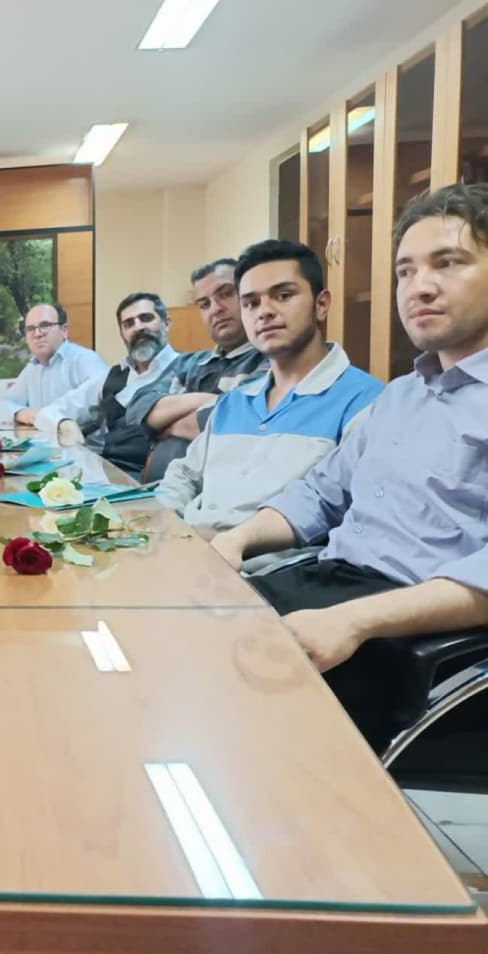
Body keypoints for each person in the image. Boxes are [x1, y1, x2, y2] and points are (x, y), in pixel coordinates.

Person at [211, 183, 488, 752]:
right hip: (329, 582)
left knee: (219, 713)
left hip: (414, 631)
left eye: (448, 263)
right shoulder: (402, 395)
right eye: (406, 271)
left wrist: (357, 621)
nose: (420, 287)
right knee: (169, 630)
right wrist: (236, 539)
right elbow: (320, 493)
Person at [157, 240, 383, 539]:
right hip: (189, 547)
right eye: (251, 303)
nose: (264, 312)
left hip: (267, 563)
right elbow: (184, 474)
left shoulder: (365, 402)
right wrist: (162, 525)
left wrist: (228, 542)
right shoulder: (234, 402)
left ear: (321, 304)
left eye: (283, 295)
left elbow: (344, 512)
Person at [36, 292, 180, 477]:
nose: (138, 327)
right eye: (128, 324)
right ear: (122, 334)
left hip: (160, 482)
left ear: (167, 323)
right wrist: (65, 424)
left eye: (146, 318)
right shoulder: (111, 377)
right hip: (108, 478)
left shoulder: (189, 371)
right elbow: (48, 413)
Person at [126, 258, 267, 444]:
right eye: (204, 304)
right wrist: (216, 400)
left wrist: (170, 425)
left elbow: (242, 418)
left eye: (226, 294)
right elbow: (138, 406)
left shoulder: (271, 360)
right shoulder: (190, 364)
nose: (215, 309)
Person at [0, 303, 107, 426]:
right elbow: (2, 405)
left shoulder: (84, 359)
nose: (37, 334)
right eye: (30, 329)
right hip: (42, 438)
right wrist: (20, 413)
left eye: (45, 325)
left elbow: (99, 394)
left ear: (64, 331)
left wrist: (47, 416)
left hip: (81, 438)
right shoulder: (32, 368)